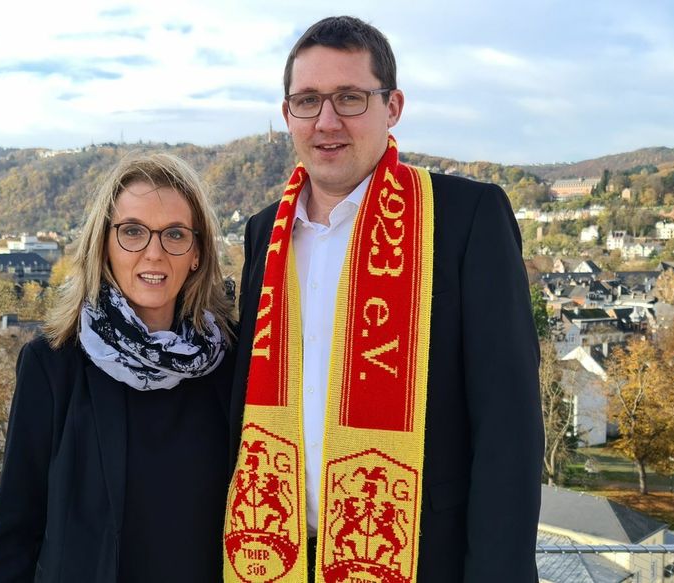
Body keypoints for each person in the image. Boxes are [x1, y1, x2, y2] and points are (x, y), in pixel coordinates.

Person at [223, 16, 541, 583]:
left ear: (392, 107)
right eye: (307, 100)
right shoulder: (263, 233)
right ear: (286, 114)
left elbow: (508, 428)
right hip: (276, 555)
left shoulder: (466, 218)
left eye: (349, 98)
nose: (326, 121)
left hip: (420, 558)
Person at [0, 154, 235, 582]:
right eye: (132, 232)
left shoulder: (231, 363)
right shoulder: (52, 365)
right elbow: (14, 530)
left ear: (196, 252)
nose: (153, 253)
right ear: (104, 245)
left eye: (174, 234)